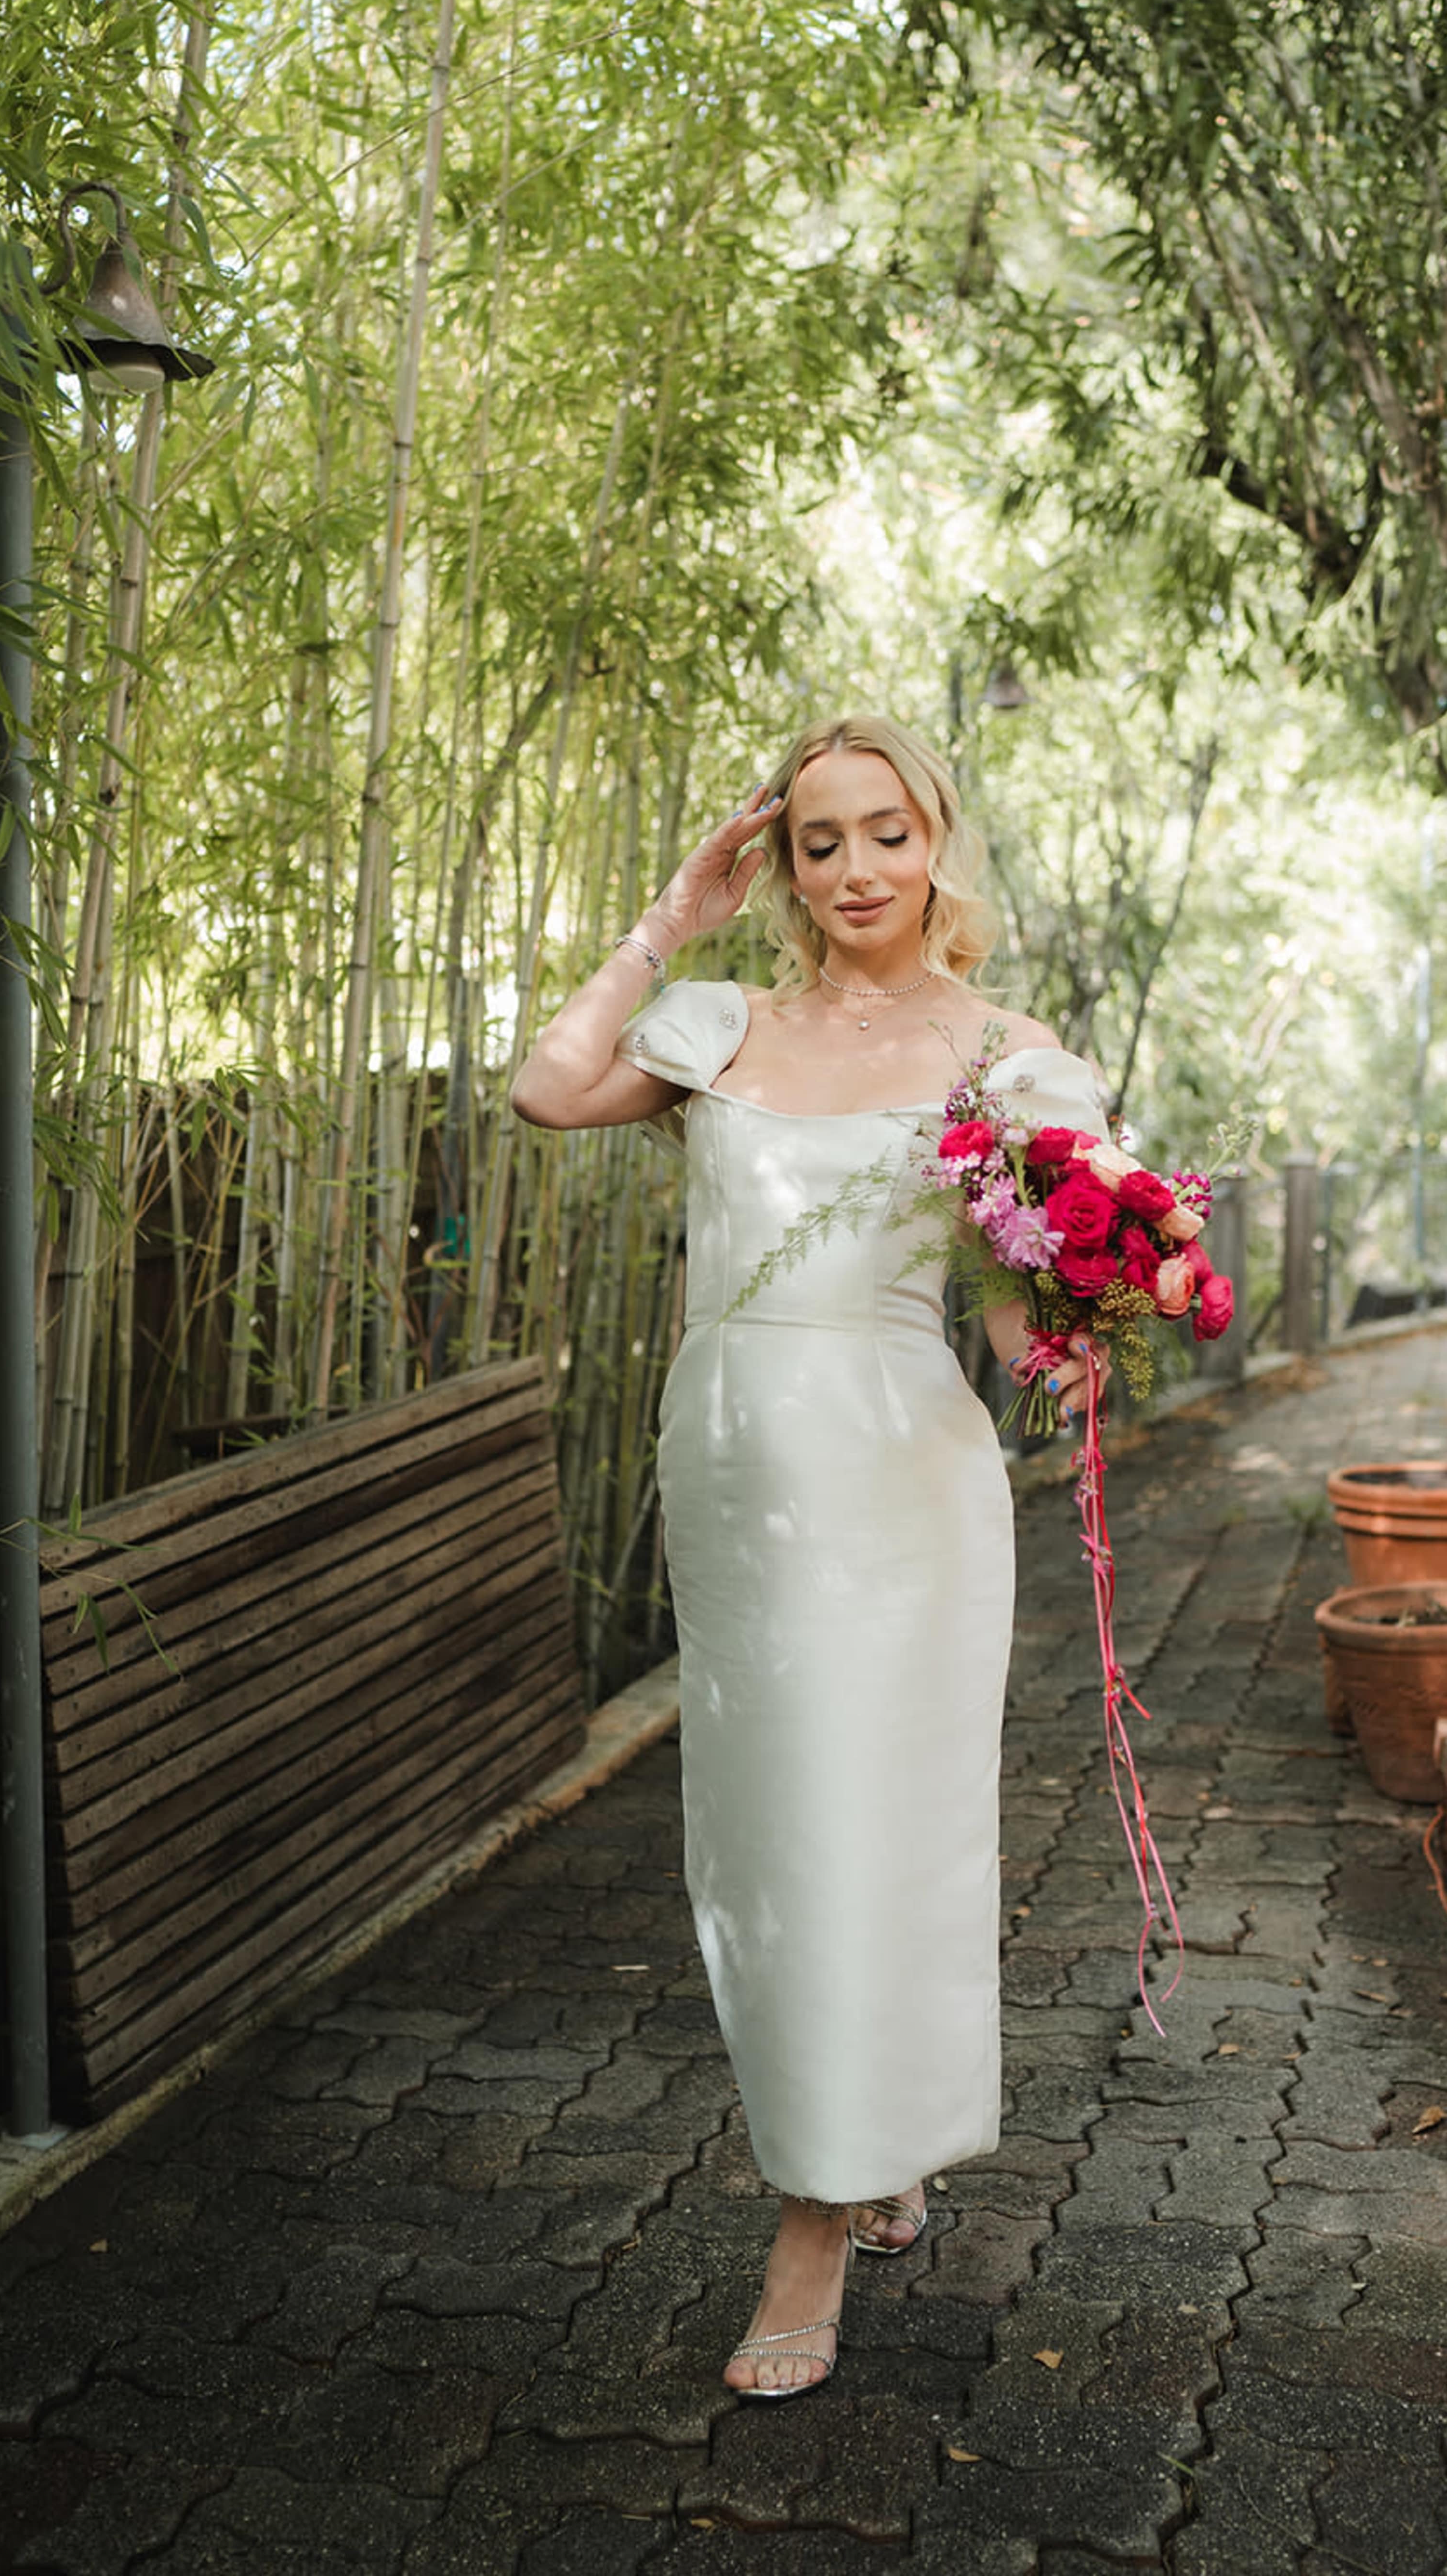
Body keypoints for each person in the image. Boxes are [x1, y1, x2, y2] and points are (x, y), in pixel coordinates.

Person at [511, 715, 1109, 2399]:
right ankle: (877, 2131)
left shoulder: (1005, 1055)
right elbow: (547, 1086)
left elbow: (1013, 1312)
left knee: (875, 1842)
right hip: (730, 1487)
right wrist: (670, 913)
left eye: (886, 834)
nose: (856, 871)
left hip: (902, 1488)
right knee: (768, 1857)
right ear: (781, 865)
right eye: (818, 842)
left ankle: (816, 2220)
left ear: (940, 843)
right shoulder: (723, 1027)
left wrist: (1079, 1328)